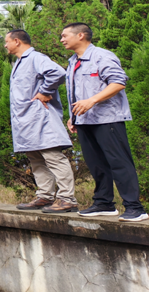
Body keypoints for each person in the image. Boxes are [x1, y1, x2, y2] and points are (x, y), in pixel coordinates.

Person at [62, 23, 148, 222]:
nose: (62, 39)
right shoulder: (73, 61)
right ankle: (104, 203)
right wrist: (73, 117)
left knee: (119, 162)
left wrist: (91, 101)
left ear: (80, 35)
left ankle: (135, 208)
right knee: (96, 164)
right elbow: (78, 91)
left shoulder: (102, 56)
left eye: (65, 35)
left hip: (108, 119)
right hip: (85, 121)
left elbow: (118, 82)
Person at [4, 30, 77, 213]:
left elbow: (58, 73)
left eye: (7, 41)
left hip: (41, 118)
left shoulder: (35, 57)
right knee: (35, 158)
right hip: (26, 120)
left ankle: (67, 198)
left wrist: (44, 92)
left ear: (17, 41)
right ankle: (45, 196)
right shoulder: (19, 63)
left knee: (53, 156)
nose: (5, 45)